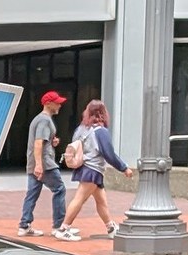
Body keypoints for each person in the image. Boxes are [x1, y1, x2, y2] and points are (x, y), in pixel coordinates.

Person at [59, 100, 135, 241]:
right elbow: (109, 154)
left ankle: (110, 227)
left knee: (101, 200)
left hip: (84, 167)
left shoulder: (81, 129)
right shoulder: (100, 131)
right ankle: (64, 228)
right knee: (80, 199)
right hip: (93, 169)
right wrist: (123, 168)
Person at [18, 91, 70, 239]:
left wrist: (52, 142)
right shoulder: (44, 120)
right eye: (57, 102)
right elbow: (38, 142)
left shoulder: (39, 120)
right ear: (48, 103)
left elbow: (42, 141)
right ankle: (58, 226)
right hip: (45, 163)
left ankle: (24, 225)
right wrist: (40, 165)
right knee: (59, 189)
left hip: (34, 162)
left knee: (32, 194)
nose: (60, 105)